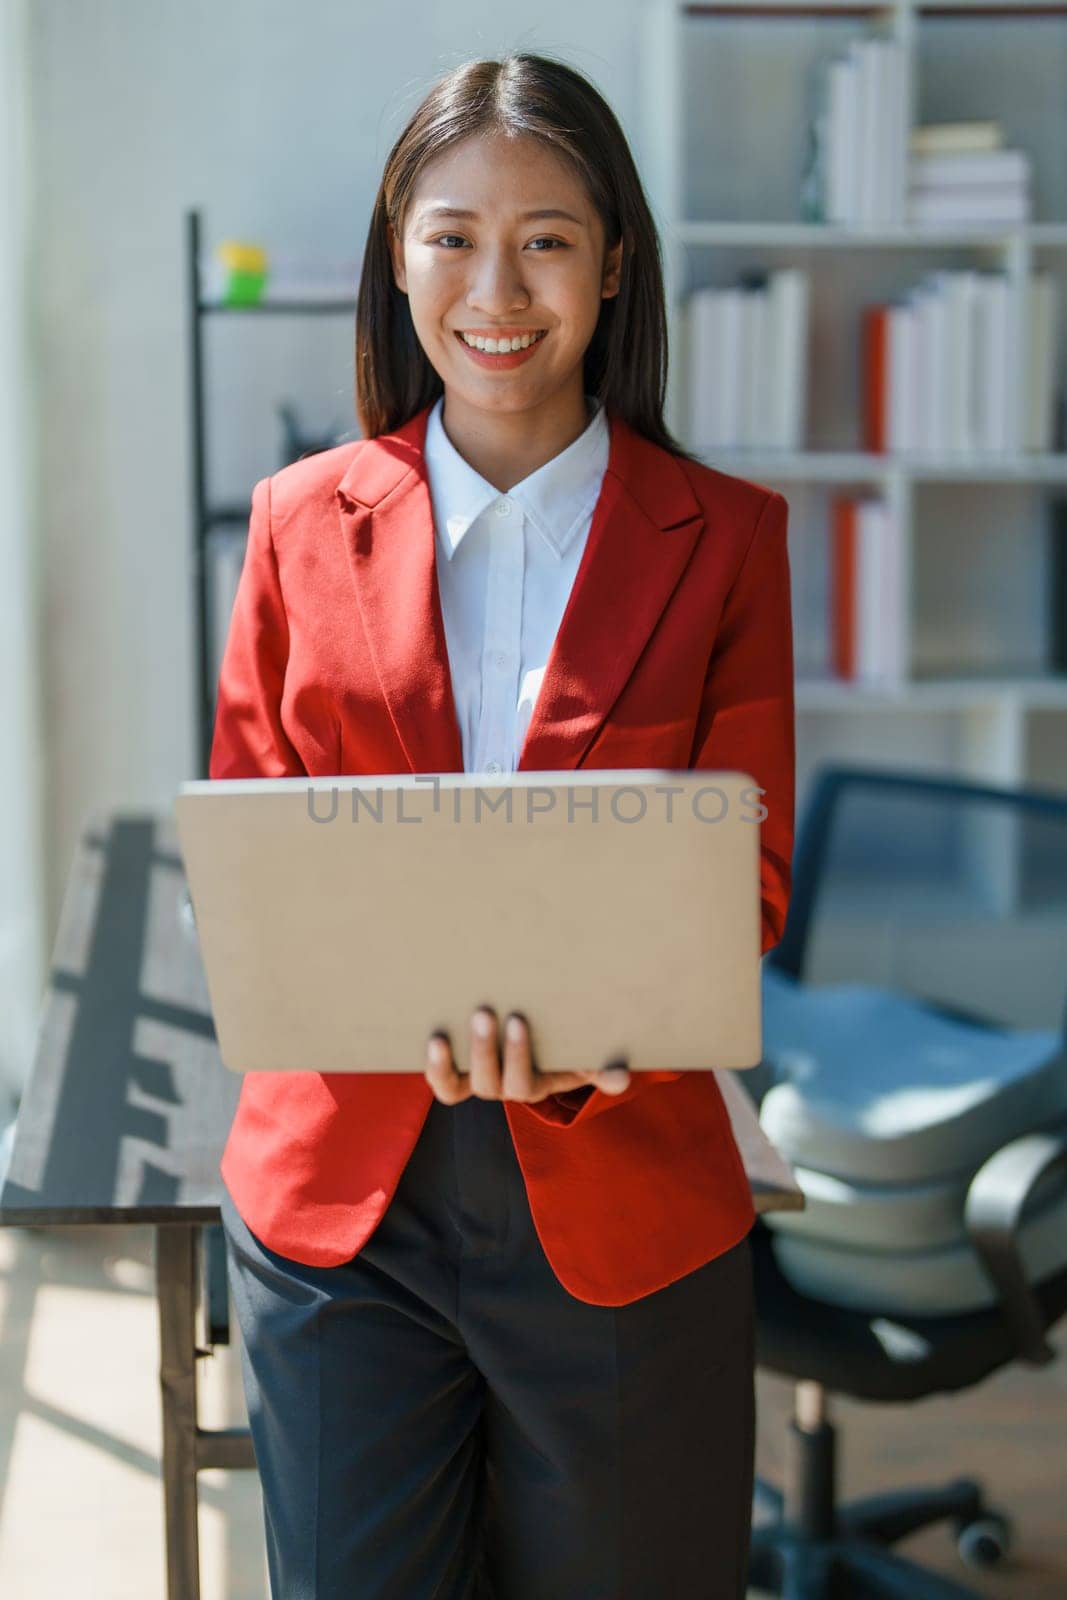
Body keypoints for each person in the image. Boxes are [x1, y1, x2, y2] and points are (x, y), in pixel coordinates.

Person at [212, 50, 795, 1600]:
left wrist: (597, 1043)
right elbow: (256, 852)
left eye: (547, 236)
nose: (498, 285)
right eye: (453, 233)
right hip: (347, 1216)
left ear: (613, 266)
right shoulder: (295, 524)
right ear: (398, 252)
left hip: (624, 1204)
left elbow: (742, 883)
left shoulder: (727, 541)